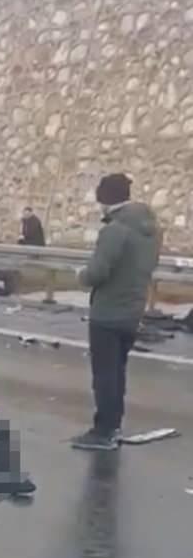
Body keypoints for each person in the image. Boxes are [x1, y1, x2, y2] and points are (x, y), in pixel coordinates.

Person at [71, 173, 160, 451]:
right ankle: (114, 425)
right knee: (117, 372)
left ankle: (104, 431)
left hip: (108, 312)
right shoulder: (150, 228)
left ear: (106, 199)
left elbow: (98, 272)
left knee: (105, 376)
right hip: (133, 310)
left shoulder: (114, 230)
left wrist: (81, 275)